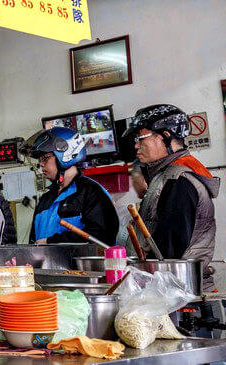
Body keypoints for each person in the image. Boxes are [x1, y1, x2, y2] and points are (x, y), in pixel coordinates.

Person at [124, 104, 220, 288]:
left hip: (178, 293)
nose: (136, 145)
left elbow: (169, 249)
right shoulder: (166, 176)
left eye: (141, 138)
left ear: (165, 137)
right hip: (169, 288)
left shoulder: (178, 181)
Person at [23, 127, 119, 245]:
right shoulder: (44, 200)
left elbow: (102, 238)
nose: (41, 164)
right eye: (39, 160)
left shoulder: (92, 192)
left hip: (84, 264)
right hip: (47, 263)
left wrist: (52, 242)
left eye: (45, 158)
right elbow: (34, 243)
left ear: (65, 154)